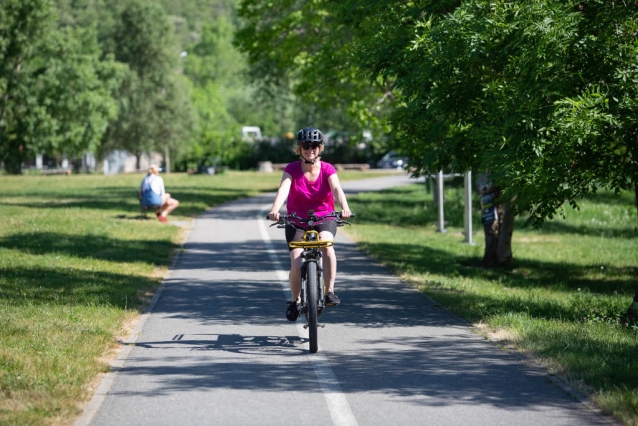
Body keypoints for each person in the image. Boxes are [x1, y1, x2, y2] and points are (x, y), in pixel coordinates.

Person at [268, 126, 352, 321]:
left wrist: (345, 207)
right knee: (296, 264)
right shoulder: (292, 169)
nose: (310, 149)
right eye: (306, 145)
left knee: (327, 247)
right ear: (300, 148)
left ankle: (329, 290)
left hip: (324, 217)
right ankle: (295, 301)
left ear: (320, 147)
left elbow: (337, 189)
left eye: (314, 145)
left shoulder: (328, 168)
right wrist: (275, 210)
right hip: (296, 219)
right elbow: (283, 189)